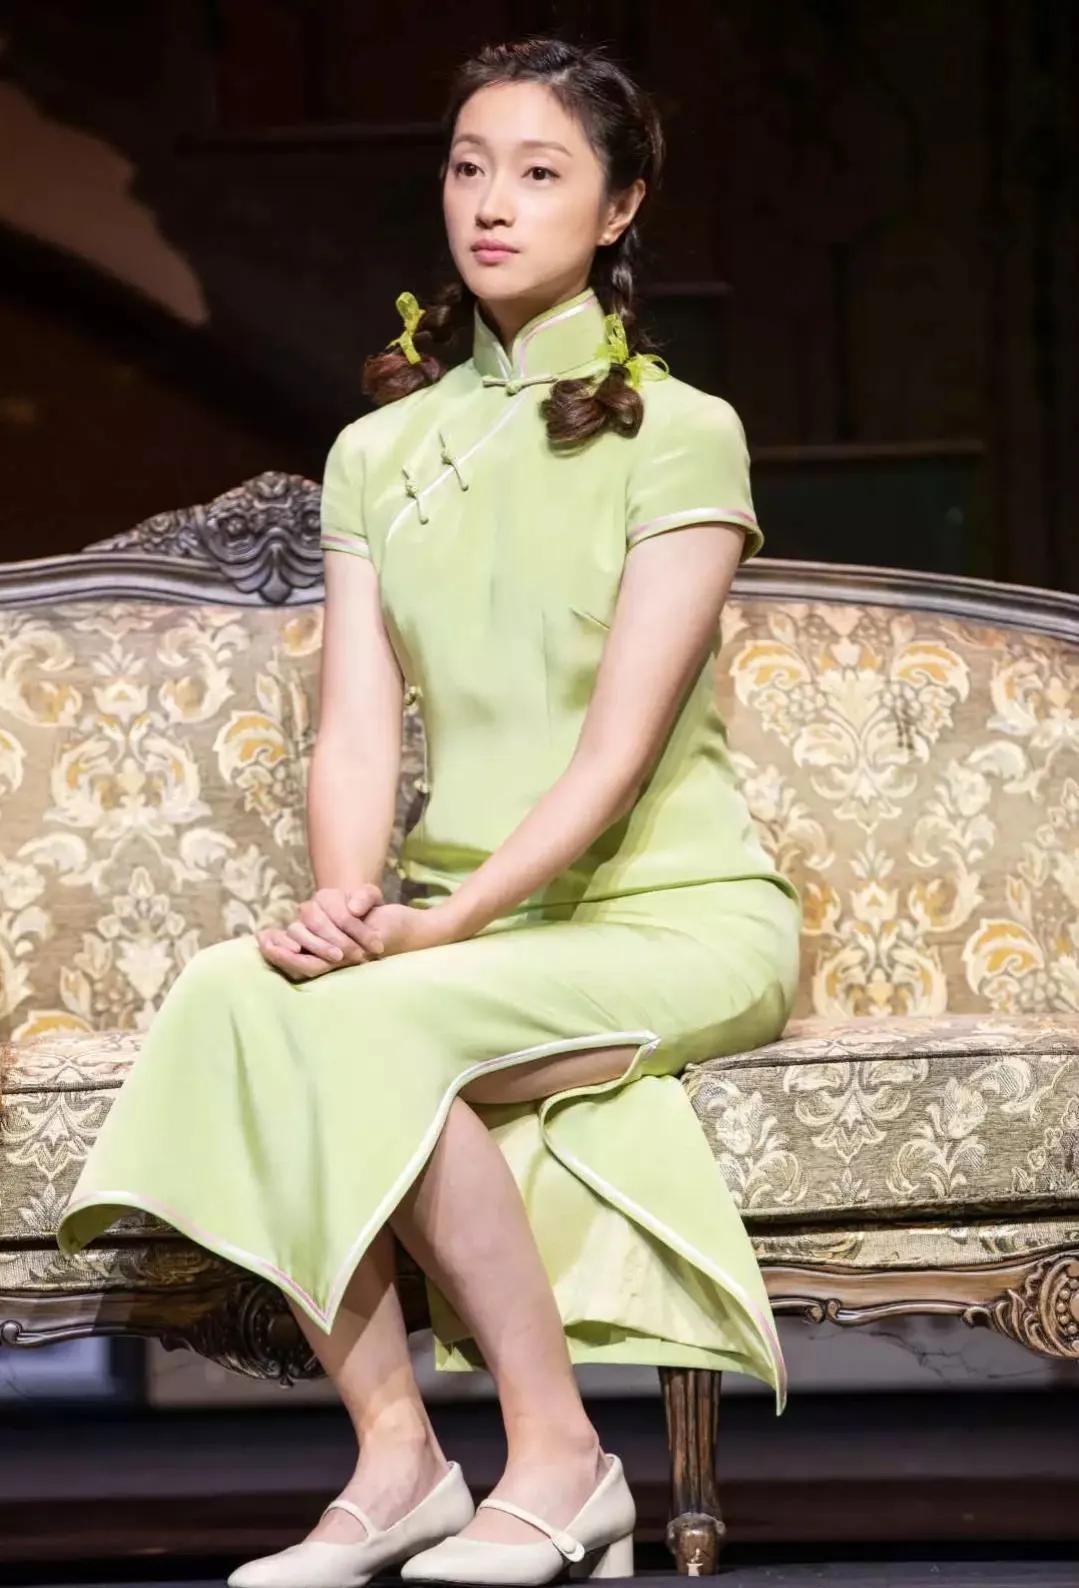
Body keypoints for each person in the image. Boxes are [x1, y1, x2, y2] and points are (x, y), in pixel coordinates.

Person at [56, 34, 803, 1588]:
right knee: (244, 991)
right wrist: (348, 903)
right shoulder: (377, 450)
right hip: (473, 933)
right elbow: (355, 724)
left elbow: (613, 755)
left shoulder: (682, 432)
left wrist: (443, 922)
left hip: (666, 919)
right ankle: (397, 1459)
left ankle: (563, 1458)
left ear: (619, 209)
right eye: (470, 168)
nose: (493, 203)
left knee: (369, 1029)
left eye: (540, 173)